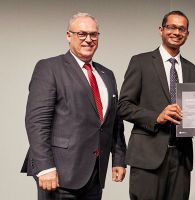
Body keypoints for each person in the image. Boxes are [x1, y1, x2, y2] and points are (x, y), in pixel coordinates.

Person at [21, 12, 127, 200]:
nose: (88, 39)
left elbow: (114, 121)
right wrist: (45, 167)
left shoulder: (106, 74)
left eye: (93, 34)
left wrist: (118, 159)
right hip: (59, 174)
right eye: (82, 34)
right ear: (68, 36)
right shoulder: (49, 68)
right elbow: (37, 122)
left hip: (95, 174)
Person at [118, 11, 195, 200]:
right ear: (161, 30)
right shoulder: (141, 62)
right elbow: (123, 106)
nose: (176, 32)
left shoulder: (193, 70)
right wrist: (156, 116)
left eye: (182, 29)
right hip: (147, 158)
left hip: (181, 159)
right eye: (171, 27)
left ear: (187, 34)